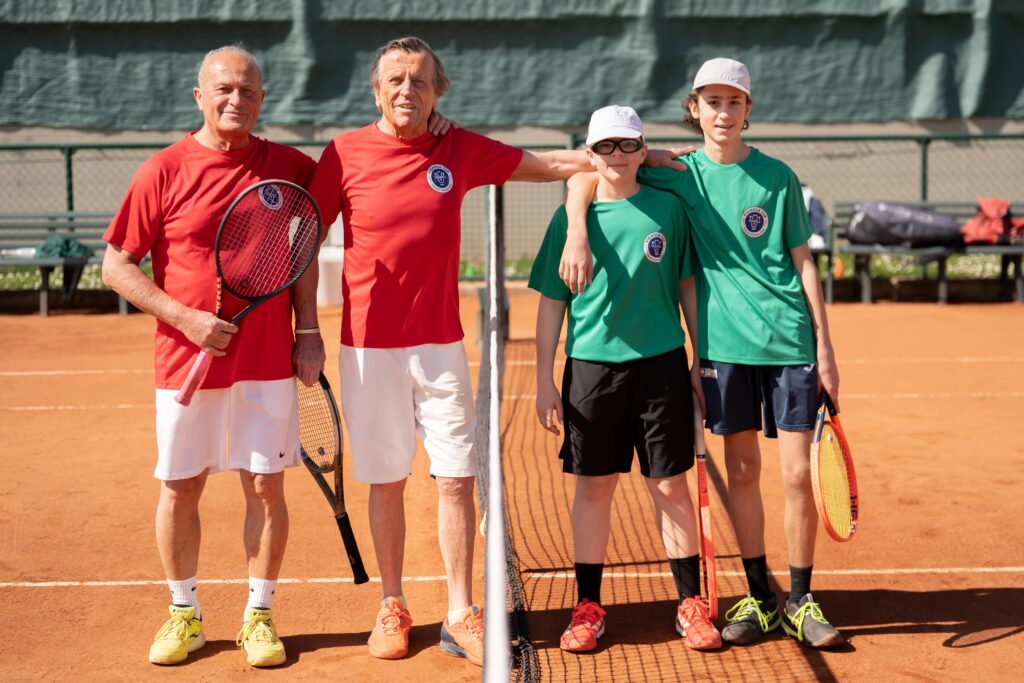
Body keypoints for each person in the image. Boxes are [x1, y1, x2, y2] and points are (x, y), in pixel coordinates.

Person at [307, 36, 690, 667]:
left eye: (420, 80)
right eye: (396, 80)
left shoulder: (457, 148)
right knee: (386, 480)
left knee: (458, 479)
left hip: (440, 344)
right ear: (376, 91)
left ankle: (460, 611)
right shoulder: (342, 153)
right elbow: (306, 238)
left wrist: (640, 159)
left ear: (438, 92)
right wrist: (305, 329)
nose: (407, 90)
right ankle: (393, 603)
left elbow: (553, 163)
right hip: (367, 346)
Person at [559, 58, 845, 649]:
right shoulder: (677, 173)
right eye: (712, 101)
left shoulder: (778, 176)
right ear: (694, 109)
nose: (724, 112)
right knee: (741, 471)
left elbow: (803, 261)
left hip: (789, 340)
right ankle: (760, 598)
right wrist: (577, 228)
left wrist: (825, 347)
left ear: (748, 109)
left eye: (734, 101)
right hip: (724, 347)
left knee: (797, 475)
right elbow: (588, 173)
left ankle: (800, 599)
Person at [102, 46, 323, 668]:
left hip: (266, 362)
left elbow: (318, 221)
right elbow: (117, 266)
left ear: (262, 99)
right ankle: (184, 612)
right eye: (224, 89)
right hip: (185, 363)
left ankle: (259, 616)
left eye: (248, 91)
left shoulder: (289, 167)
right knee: (181, 488)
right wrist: (186, 318)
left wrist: (308, 329)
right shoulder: (163, 170)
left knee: (267, 488)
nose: (236, 100)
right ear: (199, 96)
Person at [530, 105, 721, 653]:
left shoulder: (668, 209)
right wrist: (544, 380)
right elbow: (551, 304)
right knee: (595, 487)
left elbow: (687, 286)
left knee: (670, 485)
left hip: (662, 366)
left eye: (628, 144)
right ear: (590, 154)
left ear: (642, 150)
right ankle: (588, 605)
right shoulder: (569, 220)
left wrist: (699, 359)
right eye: (606, 146)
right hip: (591, 370)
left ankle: (690, 602)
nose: (617, 155)